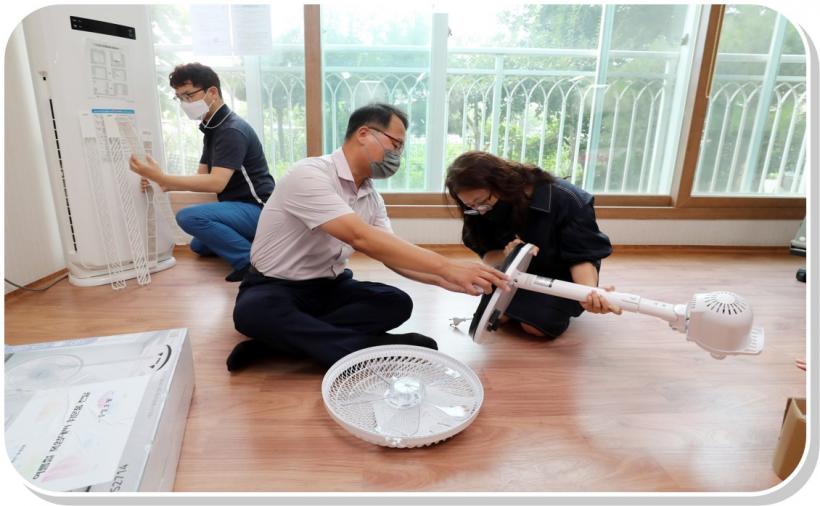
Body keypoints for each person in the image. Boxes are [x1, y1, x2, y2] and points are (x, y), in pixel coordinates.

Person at [228, 103, 509, 372]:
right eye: (395, 144)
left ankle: (277, 346)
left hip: (329, 287)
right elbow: (359, 237)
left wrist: (445, 280)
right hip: (276, 286)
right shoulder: (310, 174)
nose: (397, 154)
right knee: (254, 312)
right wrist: (448, 267)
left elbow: (390, 254)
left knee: (396, 302)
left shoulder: (372, 198)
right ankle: (375, 351)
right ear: (364, 133)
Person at [445, 151, 621, 340]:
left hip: (563, 275)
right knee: (499, 317)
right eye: (470, 206)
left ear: (500, 183)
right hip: (515, 274)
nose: (480, 211)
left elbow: (581, 257)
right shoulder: (475, 209)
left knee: (534, 326)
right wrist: (508, 255)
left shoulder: (566, 199)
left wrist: (589, 292)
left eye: (482, 202)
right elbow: (488, 255)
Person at [129, 63, 275, 282]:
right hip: (241, 207)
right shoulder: (212, 128)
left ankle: (250, 264)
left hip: (260, 208)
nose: (184, 103)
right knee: (199, 245)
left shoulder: (231, 130)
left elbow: (216, 183)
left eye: (188, 95)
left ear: (212, 92)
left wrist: (162, 177)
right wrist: (165, 183)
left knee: (188, 217)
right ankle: (264, 244)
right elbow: (201, 177)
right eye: (179, 97)